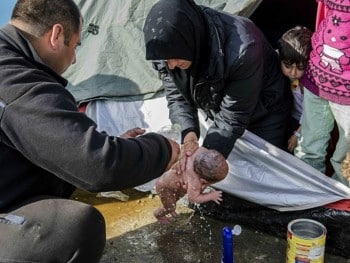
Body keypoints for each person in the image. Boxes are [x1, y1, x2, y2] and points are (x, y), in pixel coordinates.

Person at [0, 0, 180, 262]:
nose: (74, 59)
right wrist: (165, 149)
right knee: (74, 228)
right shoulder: (16, 81)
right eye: (76, 46)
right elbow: (98, 165)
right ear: (56, 35)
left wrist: (109, 144)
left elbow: (53, 147)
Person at [143, 0, 293, 172]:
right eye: (165, 60)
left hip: (264, 112)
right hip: (220, 109)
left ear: (190, 42)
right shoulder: (171, 49)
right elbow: (177, 95)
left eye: (174, 58)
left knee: (265, 175)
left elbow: (232, 116)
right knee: (219, 172)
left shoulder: (243, 50)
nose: (170, 65)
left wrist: (203, 160)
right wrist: (189, 134)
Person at [294, 0, 350, 186]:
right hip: (318, 76)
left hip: (347, 88)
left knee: (347, 151)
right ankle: (305, 188)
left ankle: (341, 196)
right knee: (310, 143)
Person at [154, 147, 228, 224]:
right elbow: (193, 198)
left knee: (174, 198)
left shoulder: (202, 152)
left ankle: (169, 204)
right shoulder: (194, 182)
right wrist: (211, 196)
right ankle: (159, 214)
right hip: (165, 187)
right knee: (170, 206)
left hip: (170, 180)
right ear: (203, 181)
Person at [276, 26, 313, 153]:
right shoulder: (276, 61)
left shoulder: (314, 80)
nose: (293, 72)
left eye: (301, 68)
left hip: (310, 121)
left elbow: (312, 112)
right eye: (287, 66)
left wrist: (297, 134)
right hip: (290, 117)